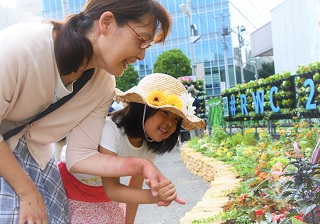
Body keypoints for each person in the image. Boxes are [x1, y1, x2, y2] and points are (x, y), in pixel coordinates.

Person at [0, 1, 172, 223]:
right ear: (107, 23)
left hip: (38, 156)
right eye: (141, 40)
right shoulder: (22, 47)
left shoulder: (103, 84)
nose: (141, 56)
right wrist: (27, 192)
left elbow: (81, 156)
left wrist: (140, 164)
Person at [58, 73, 206, 223]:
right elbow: (113, 190)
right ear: (143, 108)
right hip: (70, 185)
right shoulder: (111, 128)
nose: (170, 122)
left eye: (176, 119)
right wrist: (155, 196)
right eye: (165, 112)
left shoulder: (148, 147)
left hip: (101, 190)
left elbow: (134, 187)